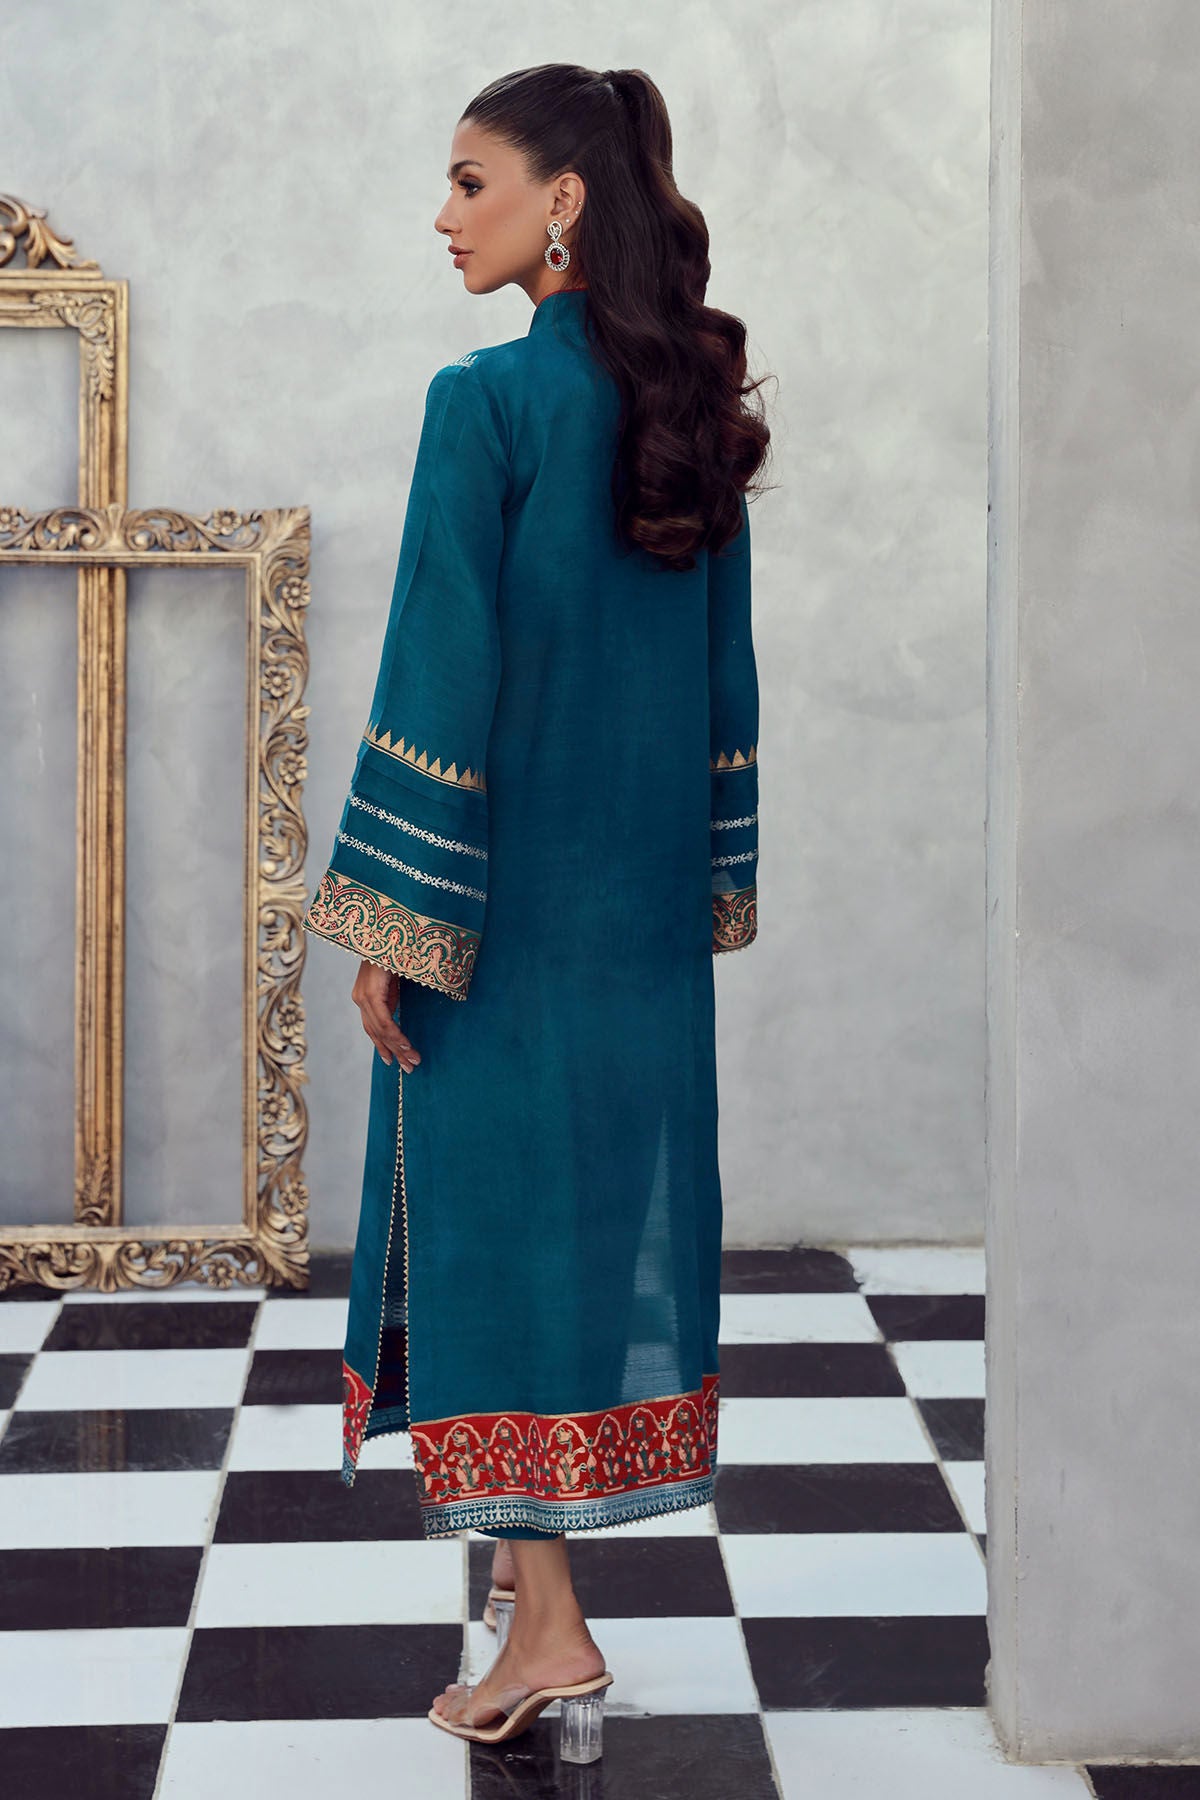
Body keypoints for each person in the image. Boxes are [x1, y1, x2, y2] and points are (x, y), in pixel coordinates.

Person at [302, 62, 770, 1756]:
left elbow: (444, 662)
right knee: (577, 1237)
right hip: (635, 918)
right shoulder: (685, 406)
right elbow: (727, 679)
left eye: (470, 179)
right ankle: (530, 1596)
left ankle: (549, 1633)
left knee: (495, 1242)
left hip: (496, 916)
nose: (444, 215)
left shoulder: (487, 403)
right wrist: (712, 882)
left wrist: (397, 919)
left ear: (562, 198)